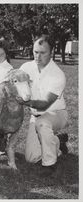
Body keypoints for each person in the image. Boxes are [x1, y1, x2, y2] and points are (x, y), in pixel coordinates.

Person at [18, 34, 68, 177]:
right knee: (31, 158)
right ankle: (59, 140)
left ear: (51, 53)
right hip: (36, 116)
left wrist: (25, 102)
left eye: (42, 53)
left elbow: (45, 104)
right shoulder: (26, 67)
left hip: (56, 114)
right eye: (35, 52)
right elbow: (12, 80)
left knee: (43, 123)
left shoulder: (58, 74)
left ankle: (50, 164)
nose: (38, 57)